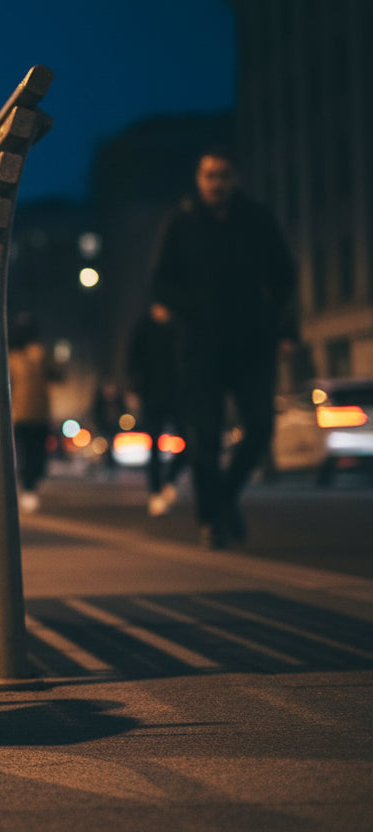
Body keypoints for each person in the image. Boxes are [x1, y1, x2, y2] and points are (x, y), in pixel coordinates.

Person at [149, 146, 296, 548]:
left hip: (252, 343)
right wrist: (192, 308)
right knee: (205, 438)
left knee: (261, 427)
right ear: (199, 179)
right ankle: (211, 520)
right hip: (200, 347)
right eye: (209, 175)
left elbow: (284, 277)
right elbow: (160, 281)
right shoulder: (182, 222)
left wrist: (282, 328)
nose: (216, 183)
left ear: (236, 178)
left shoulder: (256, 218)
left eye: (224, 175)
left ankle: (226, 496)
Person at [127, 304, 187, 516]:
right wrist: (134, 390)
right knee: (153, 445)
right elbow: (133, 360)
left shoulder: (179, 327)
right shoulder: (144, 328)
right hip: (151, 395)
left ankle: (169, 480)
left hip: (178, 394)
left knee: (189, 439)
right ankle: (155, 492)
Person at [7, 312, 62, 513]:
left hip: (41, 413)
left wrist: (44, 358)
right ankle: (27, 488)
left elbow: (58, 375)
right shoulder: (11, 357)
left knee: (39, 454)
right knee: (25, 453)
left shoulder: (42, 354)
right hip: (21, 413)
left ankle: (32, 485)